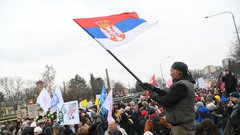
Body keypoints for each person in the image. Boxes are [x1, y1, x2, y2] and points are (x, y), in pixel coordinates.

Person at [142, 61, 196, 135]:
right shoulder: (184, 83)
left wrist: (153, 95)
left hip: (182, 128)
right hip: (183, 126)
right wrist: (153, 88)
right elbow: (168, 94)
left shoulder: (181, 85)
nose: (170, 73)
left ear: (178, 72)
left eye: (171, 71)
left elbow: (166, 101)